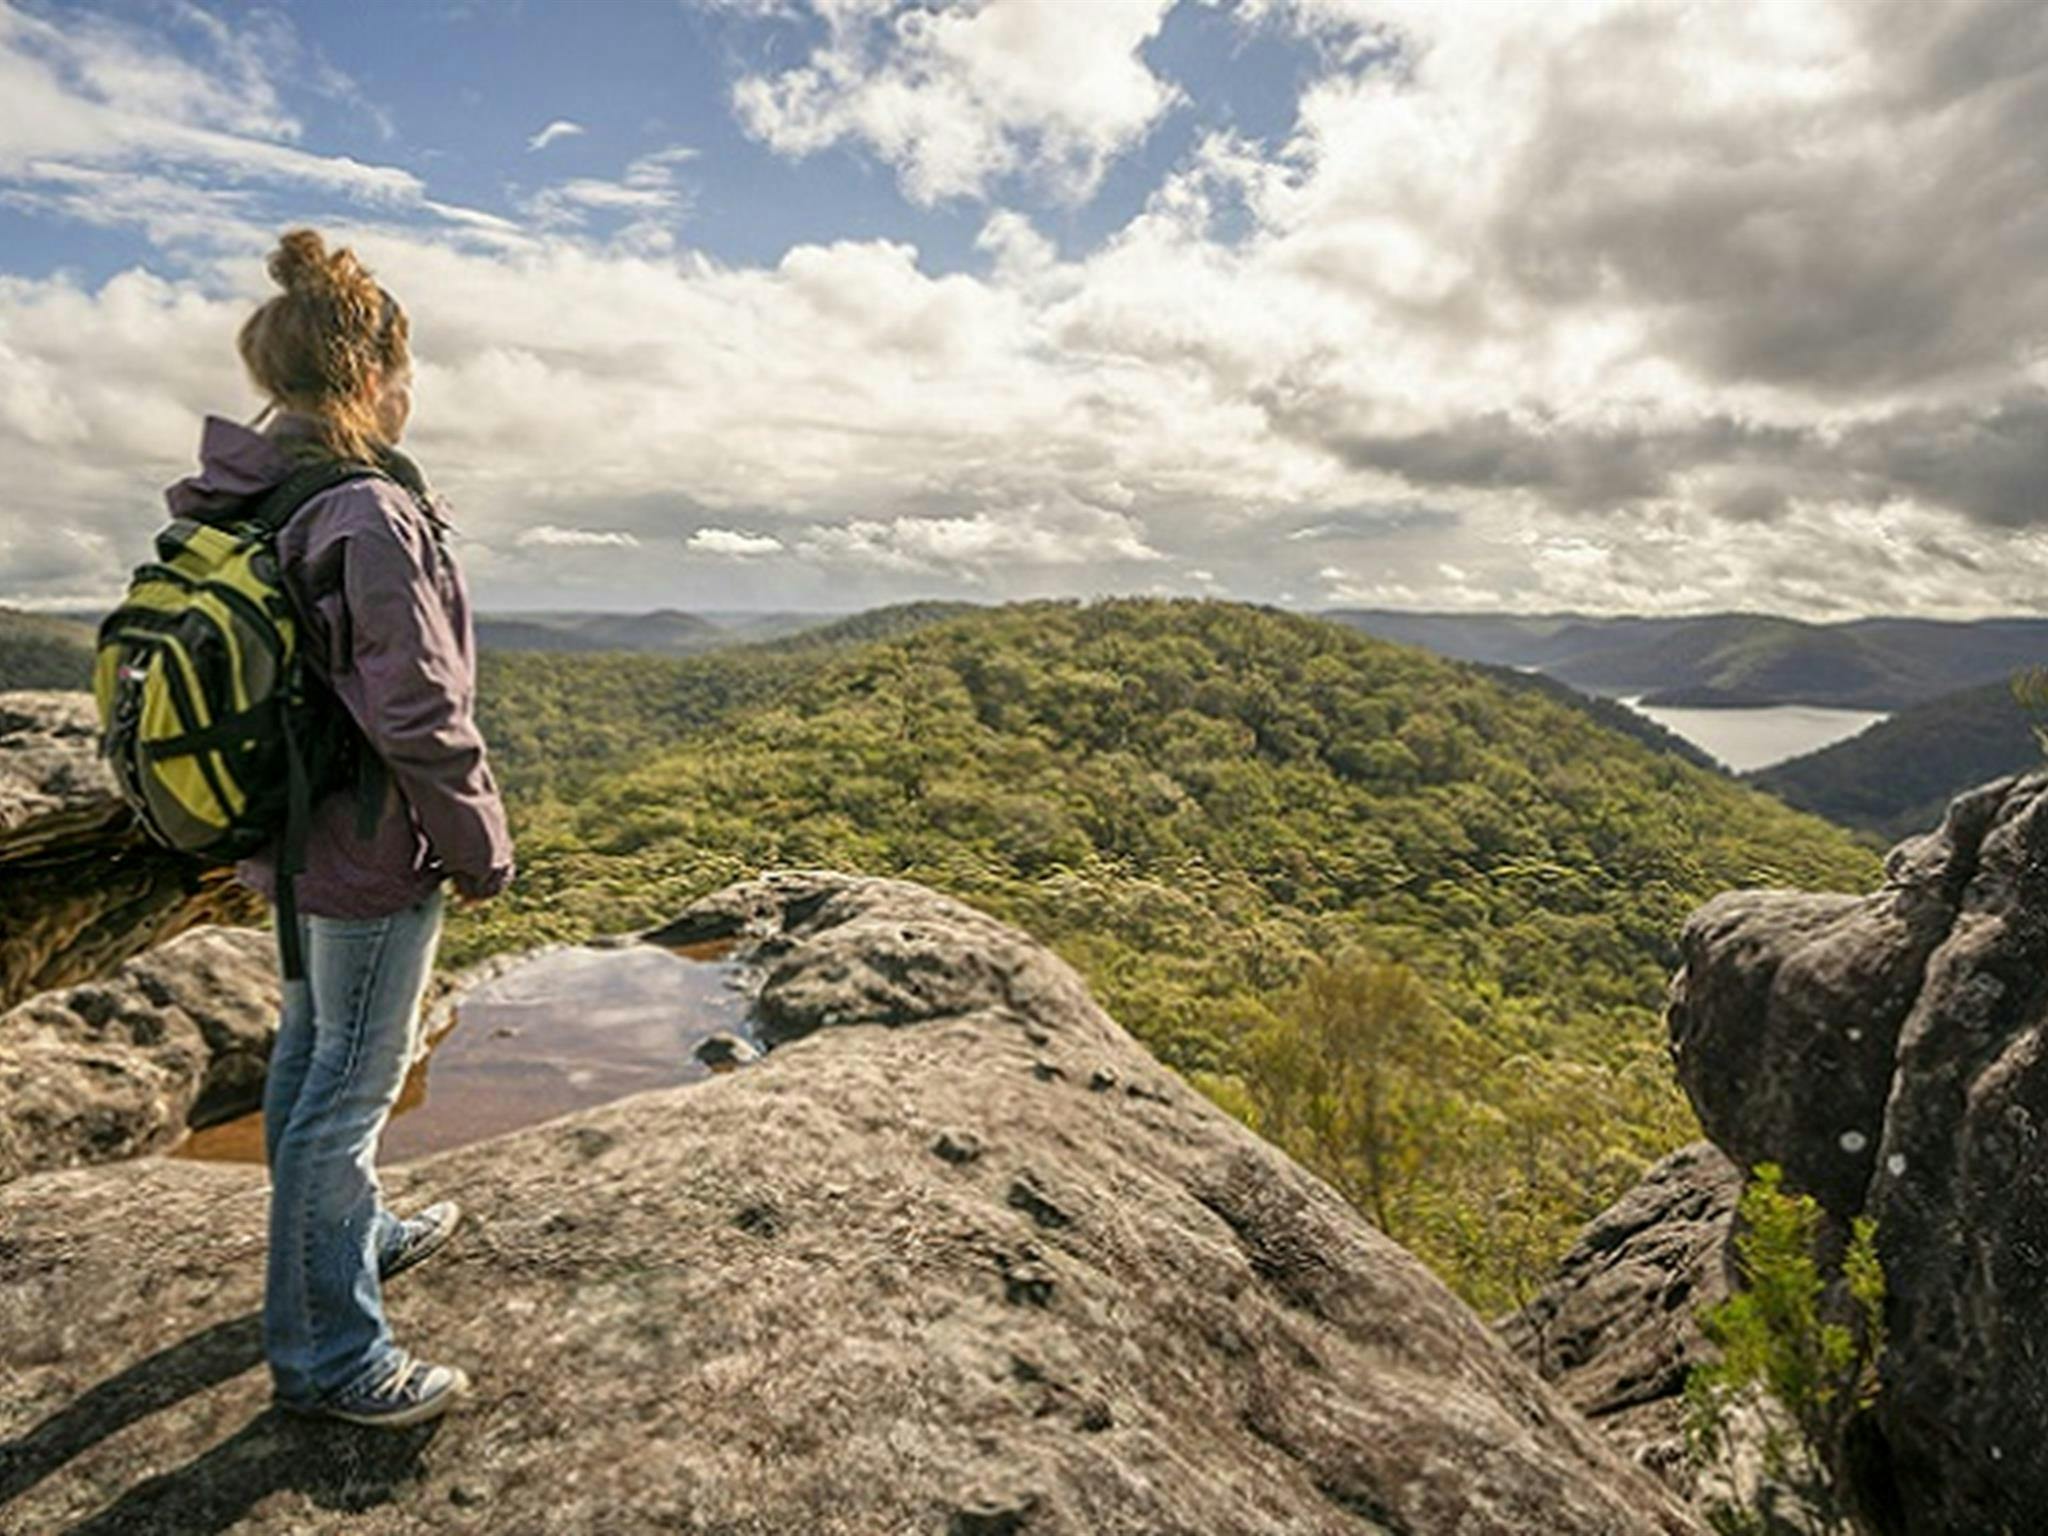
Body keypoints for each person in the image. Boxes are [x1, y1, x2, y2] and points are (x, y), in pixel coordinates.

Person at [163, 227, 516, 1427]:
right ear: (371, 379)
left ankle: (355, 1235)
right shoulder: (367, 509)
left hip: (293, 842)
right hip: (367, 852)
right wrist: (476, 847)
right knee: (344, 1094)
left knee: (312, 1063)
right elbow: (416, 711)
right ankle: (330, 1361)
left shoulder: (259, 495)